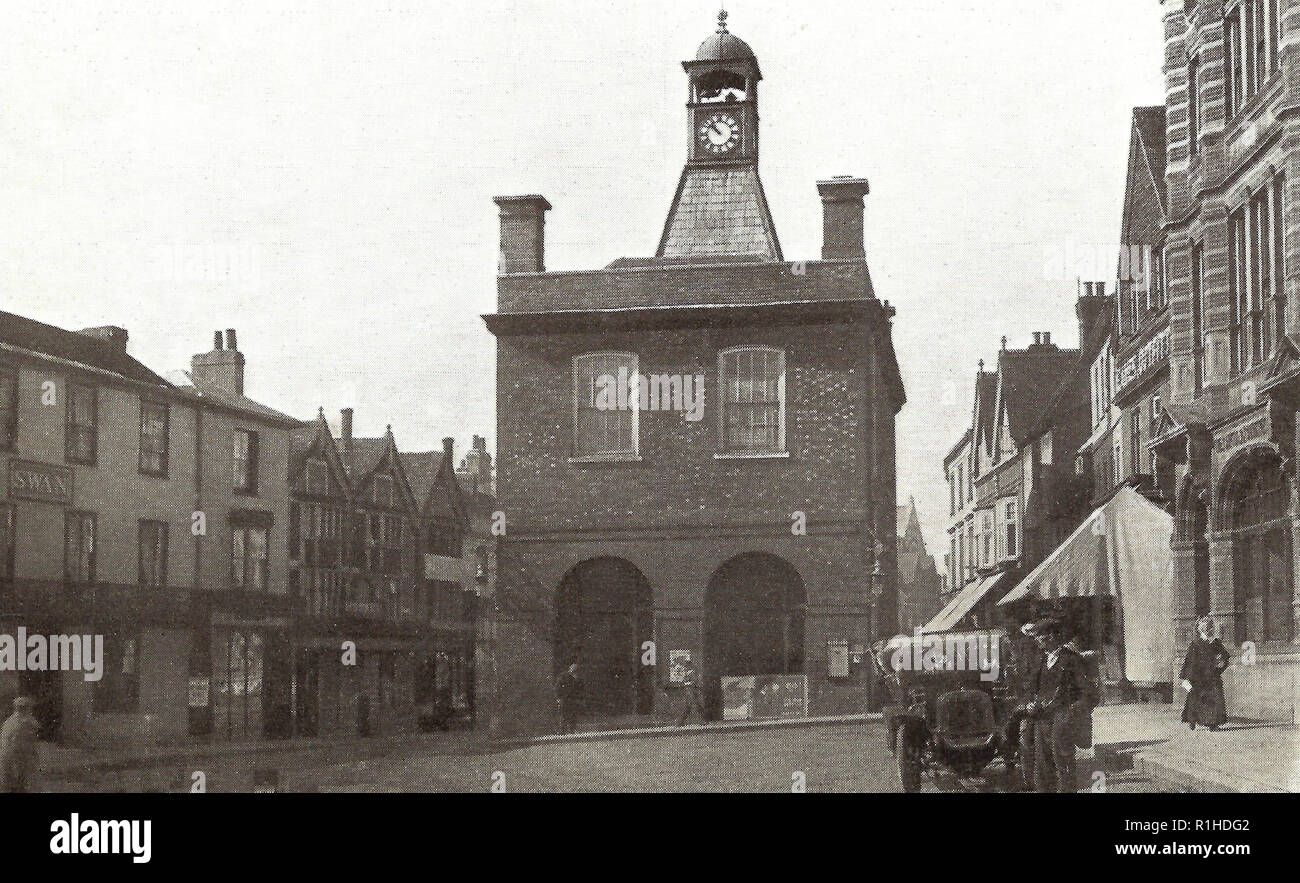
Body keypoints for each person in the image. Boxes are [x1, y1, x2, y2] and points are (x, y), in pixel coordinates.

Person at [1023, 618, 1087, 793]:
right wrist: (1030, 703)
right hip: (1041, 719)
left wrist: (1071, 713)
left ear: (1050, 636)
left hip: (1062, 717)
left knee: (1063, 762)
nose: (1036, 639)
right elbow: (1030, 686)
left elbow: (1087, 693)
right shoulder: (1041, 660)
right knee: (1042, 764)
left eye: (1039, 635)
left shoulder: (1071, 659)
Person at [1180, 616, 1230, 731]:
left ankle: (1213, 724)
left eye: (1210, 628)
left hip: (1212, 676)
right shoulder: (1195, 644)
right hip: (1199, 677)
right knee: (1196, 698)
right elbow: (1190, 662)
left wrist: (1220, 666)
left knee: (1215, 699)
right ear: (1201, 630)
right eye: (1206, 628)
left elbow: (1225, 657)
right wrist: (1188, 678)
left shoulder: (1215, 643)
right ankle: (1192, 720)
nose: (1209, 630)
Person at [0, 696, 41, 794]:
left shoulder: (9, 722)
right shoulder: (26, 722)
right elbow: (29, 742)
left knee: (14, 782)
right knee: (20, 781)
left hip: (11, 756)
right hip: (18, 756)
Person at [556, 662, 582, 735]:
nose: (575, 672)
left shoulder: (576, 678)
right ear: (570, 669)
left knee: (573, 714)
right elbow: (558, 687)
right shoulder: (563, 676)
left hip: (572, 699)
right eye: (573, 670)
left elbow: (578, 689)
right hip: (564, 699)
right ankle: (562, 731)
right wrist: (558, 698)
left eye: (576, 671)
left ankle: (572, 730)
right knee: (564, 715)